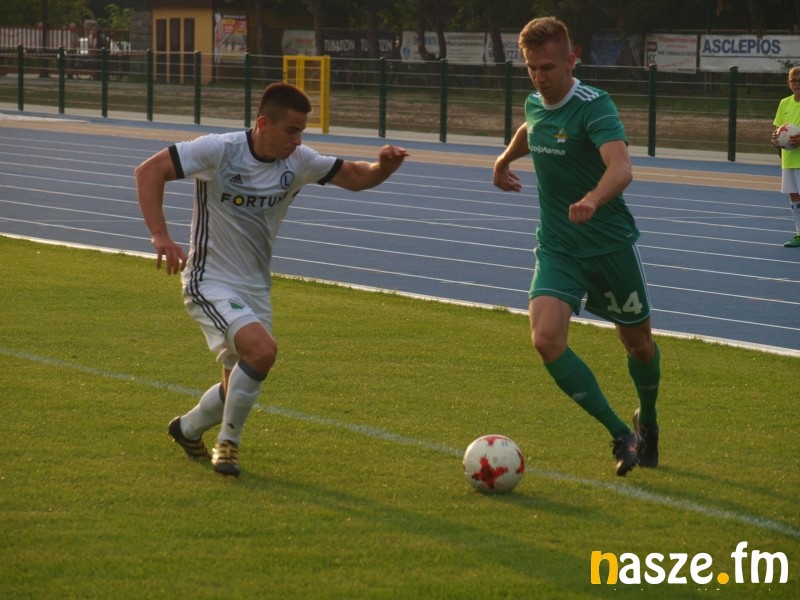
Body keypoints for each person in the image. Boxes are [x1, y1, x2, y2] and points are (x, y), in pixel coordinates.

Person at [135, 82, 408, 477]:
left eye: (302, 132)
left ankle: (188, 428)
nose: (298, 141)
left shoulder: (298, 161)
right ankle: (228, 444)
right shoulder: (220, 150)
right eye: (291, 131)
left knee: (236, 383)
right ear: (263, 124)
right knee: (262, 351)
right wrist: (160, 235)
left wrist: (383, 168)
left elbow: (354, 175)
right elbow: (150, 170)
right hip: (209, 279)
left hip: (256, 287)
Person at [492, 17, 660, 477]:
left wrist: (592, 199)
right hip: (558, 248)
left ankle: (648, 419)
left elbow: (621, 167)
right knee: (545, 340)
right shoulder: (534, 101)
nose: (539, 77)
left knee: (639, 346)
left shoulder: (595, 106)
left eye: (547, 67)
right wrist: (503, 160)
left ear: (571, 59)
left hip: (609, 247)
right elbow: (531, 127)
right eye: (531, 68)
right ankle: (621, 434)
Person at [771, 65, 800, 248]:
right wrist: (776, 139)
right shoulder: (784, 103)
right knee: (794, 196)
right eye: (794, 80)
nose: (797, 83)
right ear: (788, 83)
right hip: (789, 159)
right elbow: (778, 130)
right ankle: (799, 233)